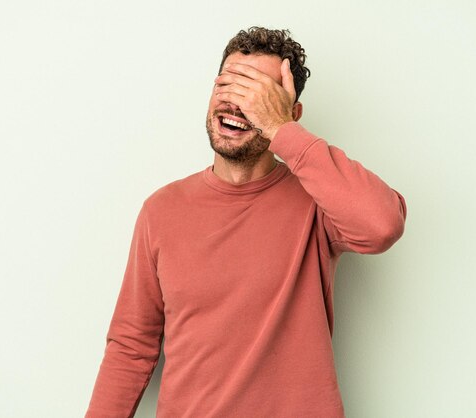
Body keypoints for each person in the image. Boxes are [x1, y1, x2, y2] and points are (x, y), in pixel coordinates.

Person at [86, 27, 407, 418]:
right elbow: (131, 347)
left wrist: (283, 132)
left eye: (256, 94)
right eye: (229, 85)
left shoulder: (317, 201)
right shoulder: (161, 209)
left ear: (290, 113)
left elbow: (382, 224)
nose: (236, 103)